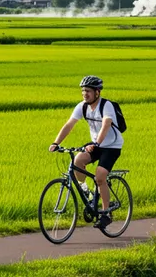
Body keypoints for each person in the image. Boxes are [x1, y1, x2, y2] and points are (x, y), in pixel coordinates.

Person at [49, 75, 122, 230]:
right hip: (96, 144)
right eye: (83, 91)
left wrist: (96, 143)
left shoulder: (106, 106)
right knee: (77, 162)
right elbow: (69, 125)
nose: (85, 94)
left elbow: (106, 125)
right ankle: (87, 192)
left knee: (100, 176)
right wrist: (56, 143)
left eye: (88, 91)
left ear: (97, 92)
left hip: (111, 146)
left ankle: (106, 214)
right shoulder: (82, 106)